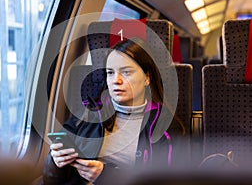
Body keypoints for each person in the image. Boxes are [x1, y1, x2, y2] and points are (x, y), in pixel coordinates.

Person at [42, 37, 186, 185]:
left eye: (126, 72)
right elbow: (51, 180)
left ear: (147, 78)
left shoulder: (164, 127)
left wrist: (106, 176)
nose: (116, 80)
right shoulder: (88, 113)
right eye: (110, 72)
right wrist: (55, 162)